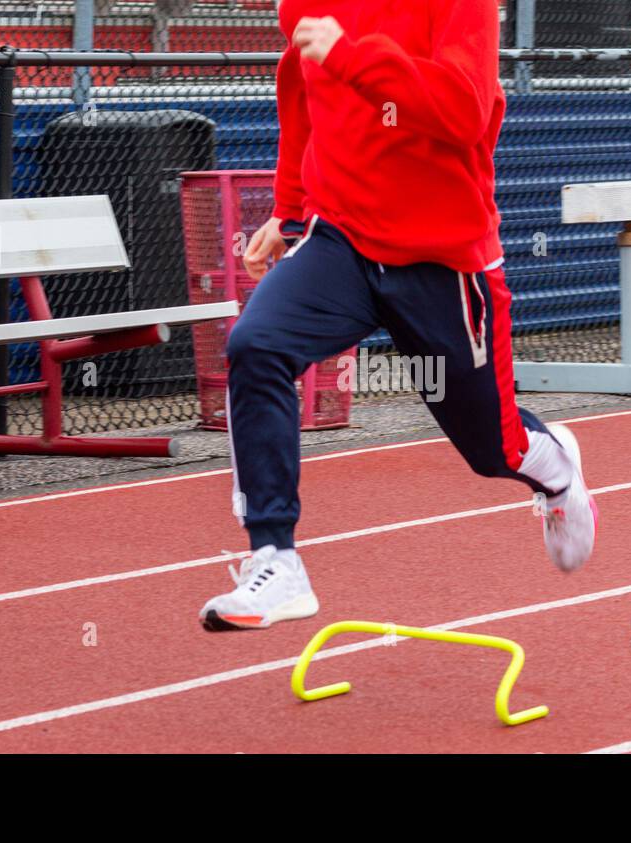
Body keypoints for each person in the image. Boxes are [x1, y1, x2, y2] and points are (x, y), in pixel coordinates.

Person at [199, 0, 597, 631]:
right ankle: (275, 557)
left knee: (492, 448)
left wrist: (353, 57)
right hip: (344, 241)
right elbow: (301, 87)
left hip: (444, 258)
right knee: (257, 345)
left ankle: (551, 467)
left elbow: (463, 112)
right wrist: (290, 209)